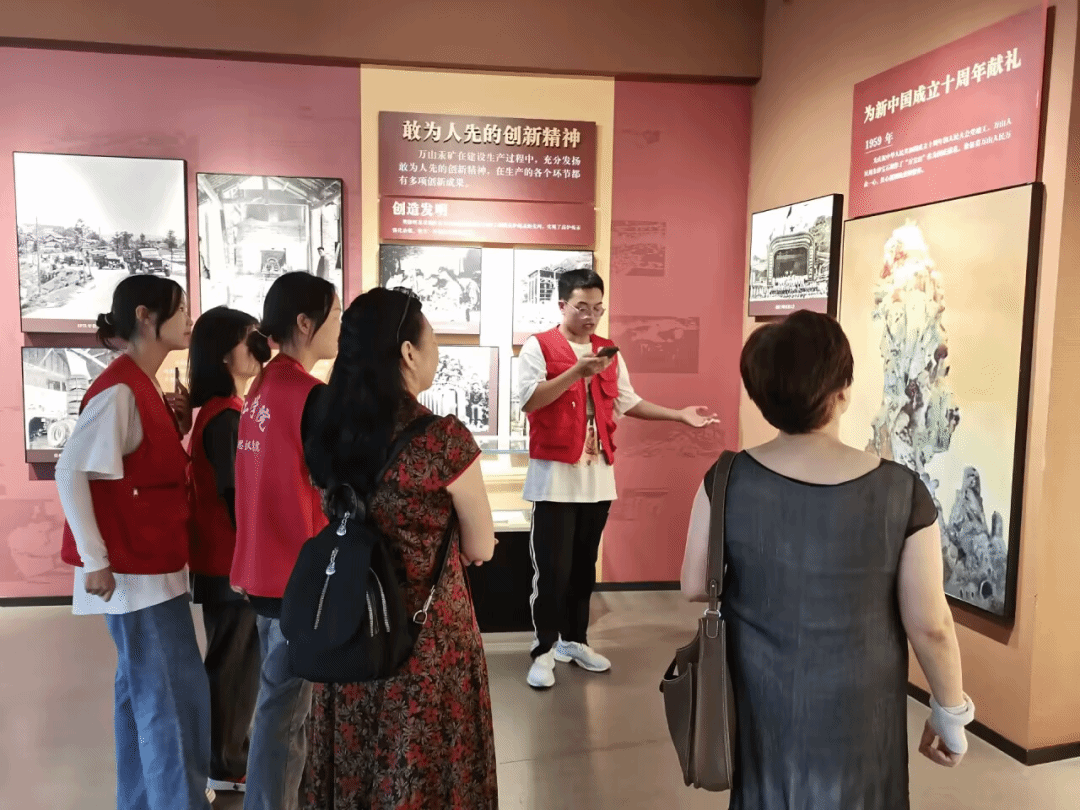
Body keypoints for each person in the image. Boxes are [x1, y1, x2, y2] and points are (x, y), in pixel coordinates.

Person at [680, 310, 972, 810]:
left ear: (761, 395)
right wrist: (950, 713)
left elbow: (693, 583)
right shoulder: (901, 491)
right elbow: (930, 624)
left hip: (762, 697)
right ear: (843, 392)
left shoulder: (727, 477)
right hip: (862, 710)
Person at [302, 287, 499, 809]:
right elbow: (481, 543)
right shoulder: (442, 440)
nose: (435, 352)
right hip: (425, 636)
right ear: (408, 352)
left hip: (348, 619)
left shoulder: (327, 428)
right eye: (431, 340)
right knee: (426, 757)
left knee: (354, 752)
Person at [53, 275, 214, 810]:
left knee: (146, 698)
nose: (188, 318)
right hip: (136, 575)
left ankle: (145, 802)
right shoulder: (121, 389)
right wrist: (95, 560)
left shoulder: (139, 386)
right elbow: (71, 471)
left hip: (150, 570)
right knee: (172, 704)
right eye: (181, 309)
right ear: (146, 316)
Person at [518, 268, 718, 689]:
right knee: (551, 572)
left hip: (598, 479)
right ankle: (543, 650)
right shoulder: (539, 346)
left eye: (597, 308)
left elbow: (628, 402)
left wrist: (679, 416)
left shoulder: (608, 351)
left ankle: (574, 641)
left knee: (582, 570)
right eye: (581, 307)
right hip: (554, 480)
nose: (590, 316)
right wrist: (576, 372)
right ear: (562, 305)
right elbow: (531, 400)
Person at [231, 272, 341, 810]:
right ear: (305, 322)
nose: (339, 326)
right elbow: (333, 483)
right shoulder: (307, 394)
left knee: (282, 707)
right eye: (335, 314)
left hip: (264, 569)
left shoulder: (264, 386)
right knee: (283, 712)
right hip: (294, 574)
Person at [187, 306, 272, 795]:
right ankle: (227, 760)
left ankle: (228, 754)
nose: (258, 347)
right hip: (231, 564)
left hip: (225, 561)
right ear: (224, 354)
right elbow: (237, 496)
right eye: (249, 338)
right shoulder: (226, 418)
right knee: (235, 665)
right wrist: (254, 561)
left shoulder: (224, 412)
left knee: (235, 661)